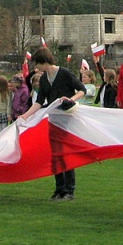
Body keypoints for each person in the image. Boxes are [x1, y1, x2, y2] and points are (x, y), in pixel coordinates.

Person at [19, 47, 86, 201]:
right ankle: (59, 189)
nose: (37, 68)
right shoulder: (43, 79)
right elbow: (40, 101)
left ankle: (69, 190)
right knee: (55, 155)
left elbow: (82, 89)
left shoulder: (64, 73)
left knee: (65, 154)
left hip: (67, 119)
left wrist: (71, 100)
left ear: (44, 62)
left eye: (38, 64)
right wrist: (25, 115)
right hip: (54, 119)